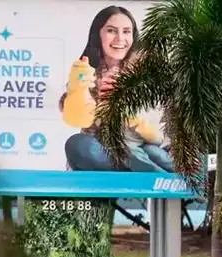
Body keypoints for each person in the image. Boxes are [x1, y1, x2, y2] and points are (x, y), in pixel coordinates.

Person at [60, 5, 174, 173]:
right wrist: (85, 90)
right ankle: (140, 165)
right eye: (111, 31)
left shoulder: (149, 70)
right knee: (77, 145)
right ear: (98, 34)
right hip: (106, 154)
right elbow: (79, 120)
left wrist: (128, 112)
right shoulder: (85, 70)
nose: (120, 39)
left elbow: (159, 135)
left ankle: (140, 163)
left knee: (154, 153)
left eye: (126, 31)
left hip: (147, 147)